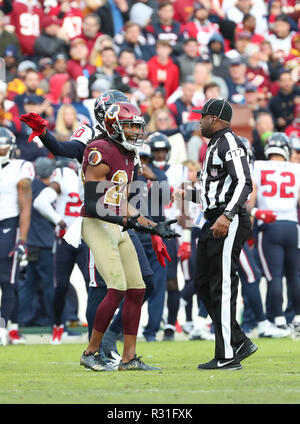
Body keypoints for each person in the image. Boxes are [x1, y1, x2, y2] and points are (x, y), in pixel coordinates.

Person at [78, 101, 179, 371]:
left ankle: (128, 358)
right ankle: (91, 351)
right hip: (96, 223)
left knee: (138, 288)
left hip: (115, 223)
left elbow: (121, 202)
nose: (135, 131)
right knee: (118, 287)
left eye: (137, 126)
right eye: (130, 125)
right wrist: (132, 223)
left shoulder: (128, 154)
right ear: (113, 126)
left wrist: (151, 224)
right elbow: (93, 204)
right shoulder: (98, 150)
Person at [176, 98, 258, 370]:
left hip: (227, 218)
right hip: (212, 219)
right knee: (201, 282)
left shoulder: (231, 142)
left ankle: (226, 356)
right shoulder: (214, 145)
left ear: (214, 118)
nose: (199, 121)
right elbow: (213, 188)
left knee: (221, 284)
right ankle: (237, 340)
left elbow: (243, 181)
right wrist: (186, 192)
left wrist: (228, 214)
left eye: (202, 117)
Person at [33, 158, 90, 344]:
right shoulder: (64, 175)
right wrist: (59, 220)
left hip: (84, 238)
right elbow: (40, 202)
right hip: (65, 239)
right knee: (61, 286)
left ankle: (97, 328)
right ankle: (57, 325)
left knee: (93, 284)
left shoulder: (88, 175)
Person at [248, 132, 300, 336]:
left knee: (274, 275)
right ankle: (297, 318)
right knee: (294, 275)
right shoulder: (295, 169)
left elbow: (250, 199)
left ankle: (278, 319)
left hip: (269, 225)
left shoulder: (257, 167)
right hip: (292, 226)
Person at [0, 127, 34, 345]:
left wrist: (22, 238)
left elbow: (26, 207)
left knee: (6, 280)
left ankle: (3, 328)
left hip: (8, 225)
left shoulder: (21, 168)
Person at [18, 157, 56, 327]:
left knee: (29, 285)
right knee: (49, 285)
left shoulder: (27, 188)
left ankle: (22, 320)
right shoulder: (48, 192)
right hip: (45, 244)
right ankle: (53, 320)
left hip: (30, 243)